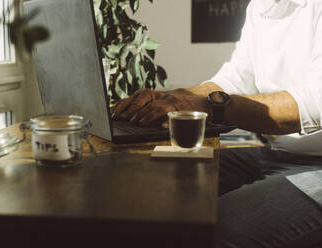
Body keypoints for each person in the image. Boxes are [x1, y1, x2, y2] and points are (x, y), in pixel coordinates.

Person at [111, 0, 322, 247]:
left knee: (208, 233)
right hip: (278, 153)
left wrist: (208, 105)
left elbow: (314, 103)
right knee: (137, 190)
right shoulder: (261, 5)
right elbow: (235, 78)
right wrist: (174, 98)